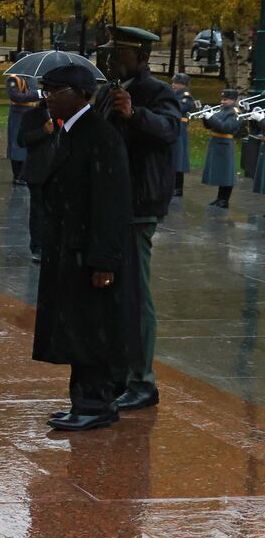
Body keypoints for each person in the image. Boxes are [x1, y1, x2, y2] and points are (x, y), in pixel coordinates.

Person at [34, 62, 136, 432]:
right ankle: (85, 402)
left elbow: (111, 203)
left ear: (78, 94)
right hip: (70, 249)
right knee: (78, 329)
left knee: (92, 330)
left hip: (90, 253)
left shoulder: (101, 137)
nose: (47, 99)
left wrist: (104, 261)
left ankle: (95, 404)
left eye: (53, 92)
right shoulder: (71, 132)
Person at [94, 25, 179, 414]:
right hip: (108, 204)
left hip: (138, 204)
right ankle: (117, 373)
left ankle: (142, 380)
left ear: (141, 58)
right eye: (109, 51)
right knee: (111, 294)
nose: (111, 57)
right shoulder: (104, 90)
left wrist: (134, 113)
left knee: (135, 294)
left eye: (119, 52)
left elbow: (168, 131)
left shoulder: (155, 92)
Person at [17, 88, 56, 262]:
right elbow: (22, 140)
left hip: (59, 170)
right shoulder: (32, 115)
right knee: (39, 209)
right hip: (38, 170)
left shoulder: (67, 115)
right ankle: (38, 245)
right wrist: (43, 131)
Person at [202, 89, 243, 210]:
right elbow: (209, 125)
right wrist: (206, 116)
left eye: (225, 99)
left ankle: (224, 200)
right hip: (216, 142)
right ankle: (220, 198)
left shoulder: (235, 112)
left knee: (226, 173)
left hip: (225, 143)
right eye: (222, 99)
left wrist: (212, 117)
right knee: (220, 172)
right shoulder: (222, 109)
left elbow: (226, 127)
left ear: (232, 100)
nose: (222, 101)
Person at [170, 72, 199, 196]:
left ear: (182, 84)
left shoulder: (185, 96)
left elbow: (180, 108)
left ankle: (178, 187)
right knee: (173, 156)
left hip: (180, 128)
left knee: (179, 157)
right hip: (173, 126)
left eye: (175, 83)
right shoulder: (174, 95)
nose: (173, 85)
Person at [6, 73, 38, 184]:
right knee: (16, 145)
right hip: (18, 114)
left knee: (29, 144)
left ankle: (25, 173)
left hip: (31, 114)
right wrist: (37, 94)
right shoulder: (13, 79)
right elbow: (15, 96)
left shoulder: (33, 79)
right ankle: (18, 175)